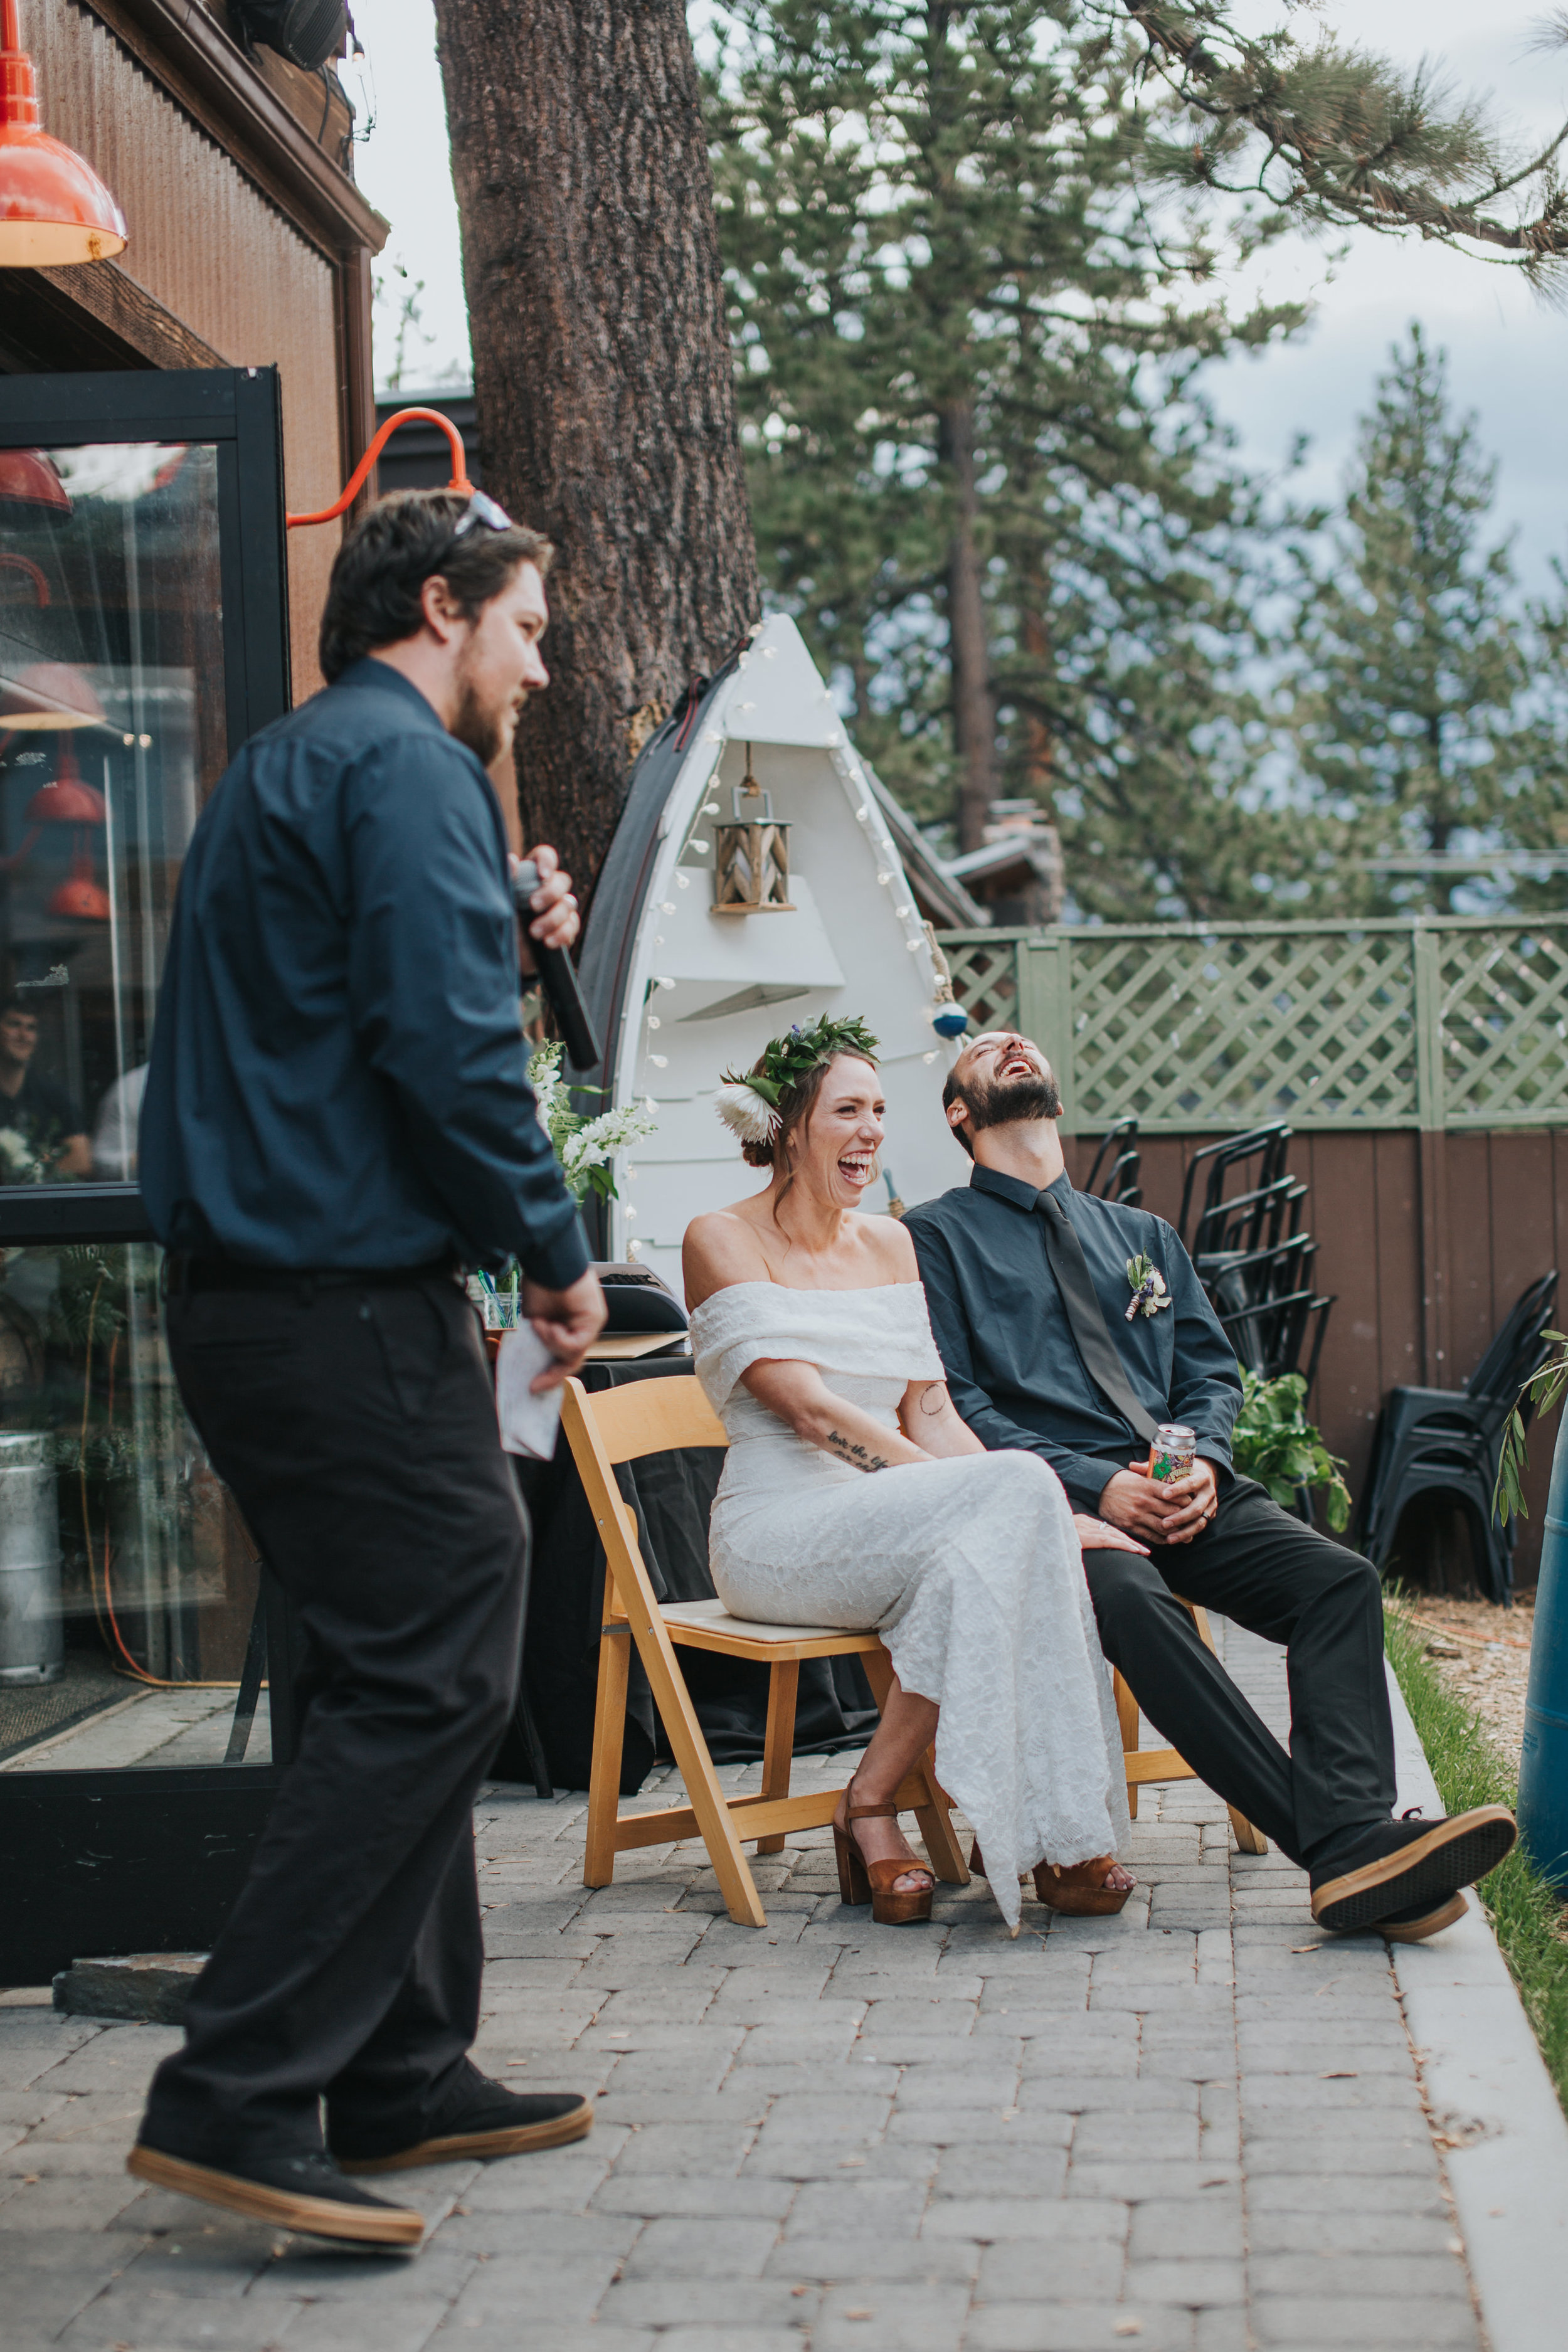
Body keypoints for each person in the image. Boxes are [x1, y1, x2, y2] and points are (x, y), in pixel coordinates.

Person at [129, 489, 607, 2250]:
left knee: (373, 1666)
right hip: (333, 1298)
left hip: (259, 1295)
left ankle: (398, 2065)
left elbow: (368, 1003)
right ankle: (239, 2085)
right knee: (443, 1653)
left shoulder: (288, 762)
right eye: (529, 628)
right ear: (440, 607)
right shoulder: (404, 767)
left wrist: (500, 918)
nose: (540, 669)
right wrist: (555, 1254)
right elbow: (443, 1048)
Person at [904, 1029, 1517, 1944]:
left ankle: (1354, 1838)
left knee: (1339, 1582)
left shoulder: (1142, 1235)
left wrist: (1204, 1466)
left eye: (1020, 1040)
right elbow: (958, 1403)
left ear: (1058, 1098)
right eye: (986, 1050)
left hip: (1183, 1488)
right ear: (961, 1110)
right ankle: (1345, 1848)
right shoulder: (934, 1236)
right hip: (1054, 1508)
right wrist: (1091, 1484)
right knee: (1137, 1601)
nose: (1010, 1041)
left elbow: (1210, 1373)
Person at [684, 1012, 1149, 1934]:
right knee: (1007, 1507)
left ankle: (871, 1802)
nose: (871, 1132)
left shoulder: (891, 1245)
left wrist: (1024, 1504)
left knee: (979, 1559)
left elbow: (930, 1413)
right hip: (775, 1535)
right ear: (785, 1126)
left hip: (896, 1526)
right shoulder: (717, 1237)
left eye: (882, 1110)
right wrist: (1014, 1500)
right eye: (847, 1110)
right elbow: (810, 1412)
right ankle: (1057, 1834)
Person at [0, 999, 91, 1178]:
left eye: (31, 1028)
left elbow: (82, 1161)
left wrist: (33, 1175)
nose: (23, 1036)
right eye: (14, 1025)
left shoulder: (53, 1095)